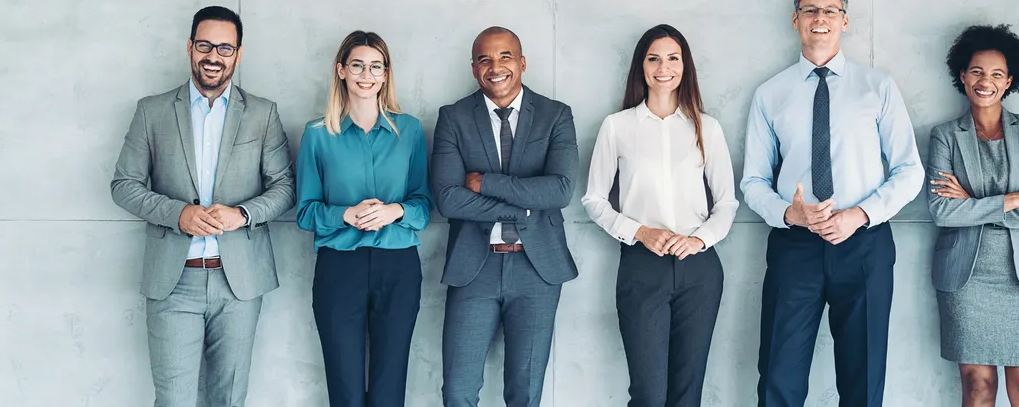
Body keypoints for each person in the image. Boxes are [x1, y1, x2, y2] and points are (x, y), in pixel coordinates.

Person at [740, 0, 924, 407]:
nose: (819, 18)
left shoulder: (878, 87)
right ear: (795, 20)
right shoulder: (771, 94)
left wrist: (858, 214)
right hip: (795, 247)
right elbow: (752, 182)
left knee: (863, 379)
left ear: (844, 20)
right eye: (809, 10)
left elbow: (909, 170)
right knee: (778, 376)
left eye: (828, 11)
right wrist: (792, 214)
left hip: (864, 245)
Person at [110, 5, 296, 407]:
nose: (214, 56)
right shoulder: (152, 111)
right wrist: (178, 214)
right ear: (190, 47)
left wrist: (242, 214)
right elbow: (123, 185)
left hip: (239, 283)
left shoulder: (263, 114)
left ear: (239, 54)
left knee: (229, 400)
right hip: (174, 283)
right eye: (205, 45)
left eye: (225, 48)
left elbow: (284, 189)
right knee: (174, 401)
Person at [582, 24, 739, 407]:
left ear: (685, 66)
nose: (663, 67)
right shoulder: (617, 126)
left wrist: (699, 239)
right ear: (641, 66)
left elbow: (727, 204)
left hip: (699, 269)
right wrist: (640, 232)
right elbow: (594, 200)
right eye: (654, 58)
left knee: (688, 394)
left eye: (673, 58)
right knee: (649, 395)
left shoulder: (708, 128)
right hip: (641, 267)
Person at [430, 26, 579, 407]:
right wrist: (526, 205)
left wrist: (486, 183)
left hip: (537, 270)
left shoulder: (555, 115)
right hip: (473, 269)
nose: (495, 67)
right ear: (474, 68)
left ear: (523, 62)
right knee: (459, 392)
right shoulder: (454, 118)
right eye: (484, 59)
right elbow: (449, 199)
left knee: (525, 393)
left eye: (505, 56)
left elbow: (560, 190)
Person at [927, 24, 1019, 407]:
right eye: (976, 71)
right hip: (966, 280)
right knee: (978, 388)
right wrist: (1018, 199)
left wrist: (972, 203)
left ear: (1009, 82)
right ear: (961, 76)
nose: (985, 81)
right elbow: (942, 211)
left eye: (996, 74)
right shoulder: (944, 136)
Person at [295, 31, 433, 407]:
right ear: (341, 70)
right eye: (357, 65)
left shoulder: (409, 132)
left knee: (390, 388)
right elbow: (305, 212)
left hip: (398, 267)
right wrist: (346, 215)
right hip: (339, 270)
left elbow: (424, 205)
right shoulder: (317, 135)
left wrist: (395, 210)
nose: (365, 74)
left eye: (376, 66)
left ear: (386, 74)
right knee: (345, 389)